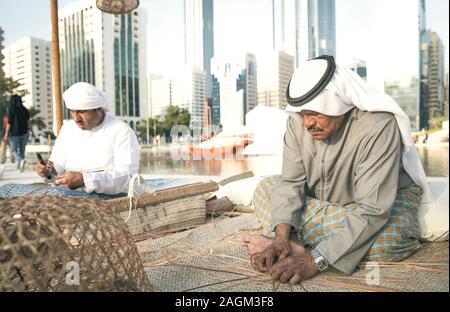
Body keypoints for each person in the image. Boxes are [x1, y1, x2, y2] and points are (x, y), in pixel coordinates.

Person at [243, 55, 432, 284]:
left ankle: (311, 247)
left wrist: (313, 261)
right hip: (329, 205)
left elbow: (372, 210)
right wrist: (281, 237)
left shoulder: (378, 126)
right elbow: (291, 182)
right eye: (302, 115)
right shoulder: (297, 123)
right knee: (265, 189)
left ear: (338, 101)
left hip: (378, 205)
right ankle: (312, 243)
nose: (307, 124)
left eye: (314, 113)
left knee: (392, 238)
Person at [35, 82, 140, 195]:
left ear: (98, 109)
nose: (76, 118)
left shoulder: (121, 130)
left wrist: (85, 180)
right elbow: (57, 164)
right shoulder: (68, 128)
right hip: (69, 196)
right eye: (72, 112)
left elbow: (127, 177)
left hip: (109, 199)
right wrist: (48, 170)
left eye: (82, 112)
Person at [2, 95, 30, 172]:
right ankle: (20, 168)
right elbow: (28, 122)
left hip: (14, 134)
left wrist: (6, 134)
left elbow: (9, 123)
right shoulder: (25, 110)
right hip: (25, 133)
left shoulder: (11, 109)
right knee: (22, 150)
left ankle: (20, 160)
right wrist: (32, 132)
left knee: (13, 150)